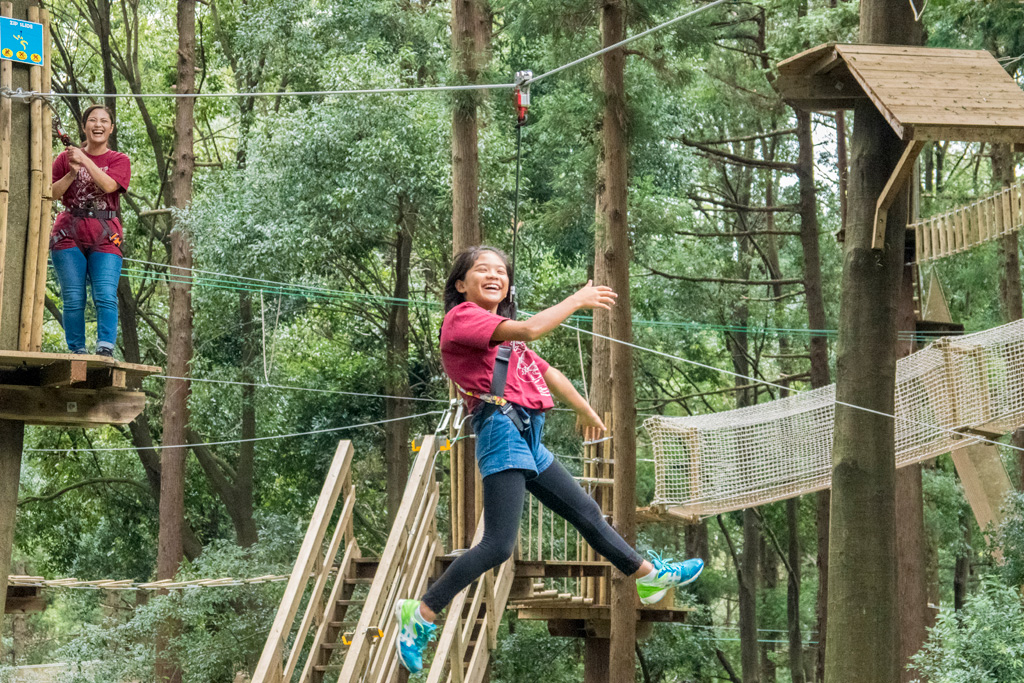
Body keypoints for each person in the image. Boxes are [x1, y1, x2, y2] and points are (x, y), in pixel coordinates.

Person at [393, 246, 703, 673]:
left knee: (588, 512)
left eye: (500, 271)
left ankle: (647, 576)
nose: (494, 275)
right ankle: (422, 612)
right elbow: (533, 331)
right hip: (501, 431)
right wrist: (577, 300)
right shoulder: (462, 320)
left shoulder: (501, 339)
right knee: (498, 545)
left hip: (527, 437)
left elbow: (548, 370)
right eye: (482, 269)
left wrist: (583, 408)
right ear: (461, 284)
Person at [49, 104, 130, 357]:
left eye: (104, 121)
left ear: (111, 128)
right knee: (73, 298)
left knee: (105, 295)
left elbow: (108, 185)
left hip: (105, 233)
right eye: (92, 121)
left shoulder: (119, 160)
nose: (98, 125)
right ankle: (77, 351)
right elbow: (49, 193)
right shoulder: (64, 159)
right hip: (68, 231)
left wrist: (84, 160)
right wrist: (72, 174)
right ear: (84, 127)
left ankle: (105, 349)